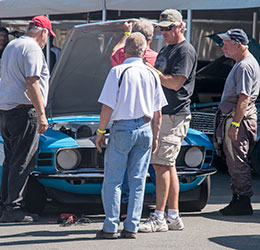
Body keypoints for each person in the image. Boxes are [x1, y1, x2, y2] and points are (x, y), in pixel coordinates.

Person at [95, 32, 167, 239]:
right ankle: (131, 226)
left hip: (122, 128)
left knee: (113, 180)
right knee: (138, 181)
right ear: (145, 51)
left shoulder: (118, 71)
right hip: (145, 128)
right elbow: (158, 112)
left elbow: (107, 106)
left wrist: (100, 132)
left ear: (125, 50)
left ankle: (110, 226)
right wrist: (155, 136)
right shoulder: (152, 74)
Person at [139, 9, 197, 233]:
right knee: (167, 165)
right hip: (167, 114)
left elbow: (174, 83)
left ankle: (160, 216)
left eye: (168, 28)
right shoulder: (168, 48)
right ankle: (172, 215)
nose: (163, 32)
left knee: (161, 164)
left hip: (175, 115)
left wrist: (151, 72)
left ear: (180, 26)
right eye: (161, 28)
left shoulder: (185, 50)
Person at [0, 15, 56, 223]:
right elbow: (32, 82)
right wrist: (41, 114)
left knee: (11, 160)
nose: (46, 41)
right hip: (23, 110)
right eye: (46, 37)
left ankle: (6, 205)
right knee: (23, 161)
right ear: (42, 32)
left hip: (6, 110)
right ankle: (14, 208)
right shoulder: (32, 48)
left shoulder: (12, 45)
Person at [111, 18, 158, 221]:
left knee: (118, 177)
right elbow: (158, 108)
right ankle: (150, 212)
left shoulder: (121, 59)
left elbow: (114, 52)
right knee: (146, 172)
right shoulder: (156, 58)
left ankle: (119, 215)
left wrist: (126, 34)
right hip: (147, 122)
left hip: (123, 124)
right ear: (150, 38)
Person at [214, 29, 260, 215]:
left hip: (237, 119)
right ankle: (237, 199)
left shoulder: (244, 66)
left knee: (237, 161)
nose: (223, 46)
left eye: (226, 43)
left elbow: (244, 98)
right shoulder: (242, 64)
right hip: (236, 117)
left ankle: (243, 201)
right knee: (234, 160)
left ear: (238, 45)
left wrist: (235, 125)